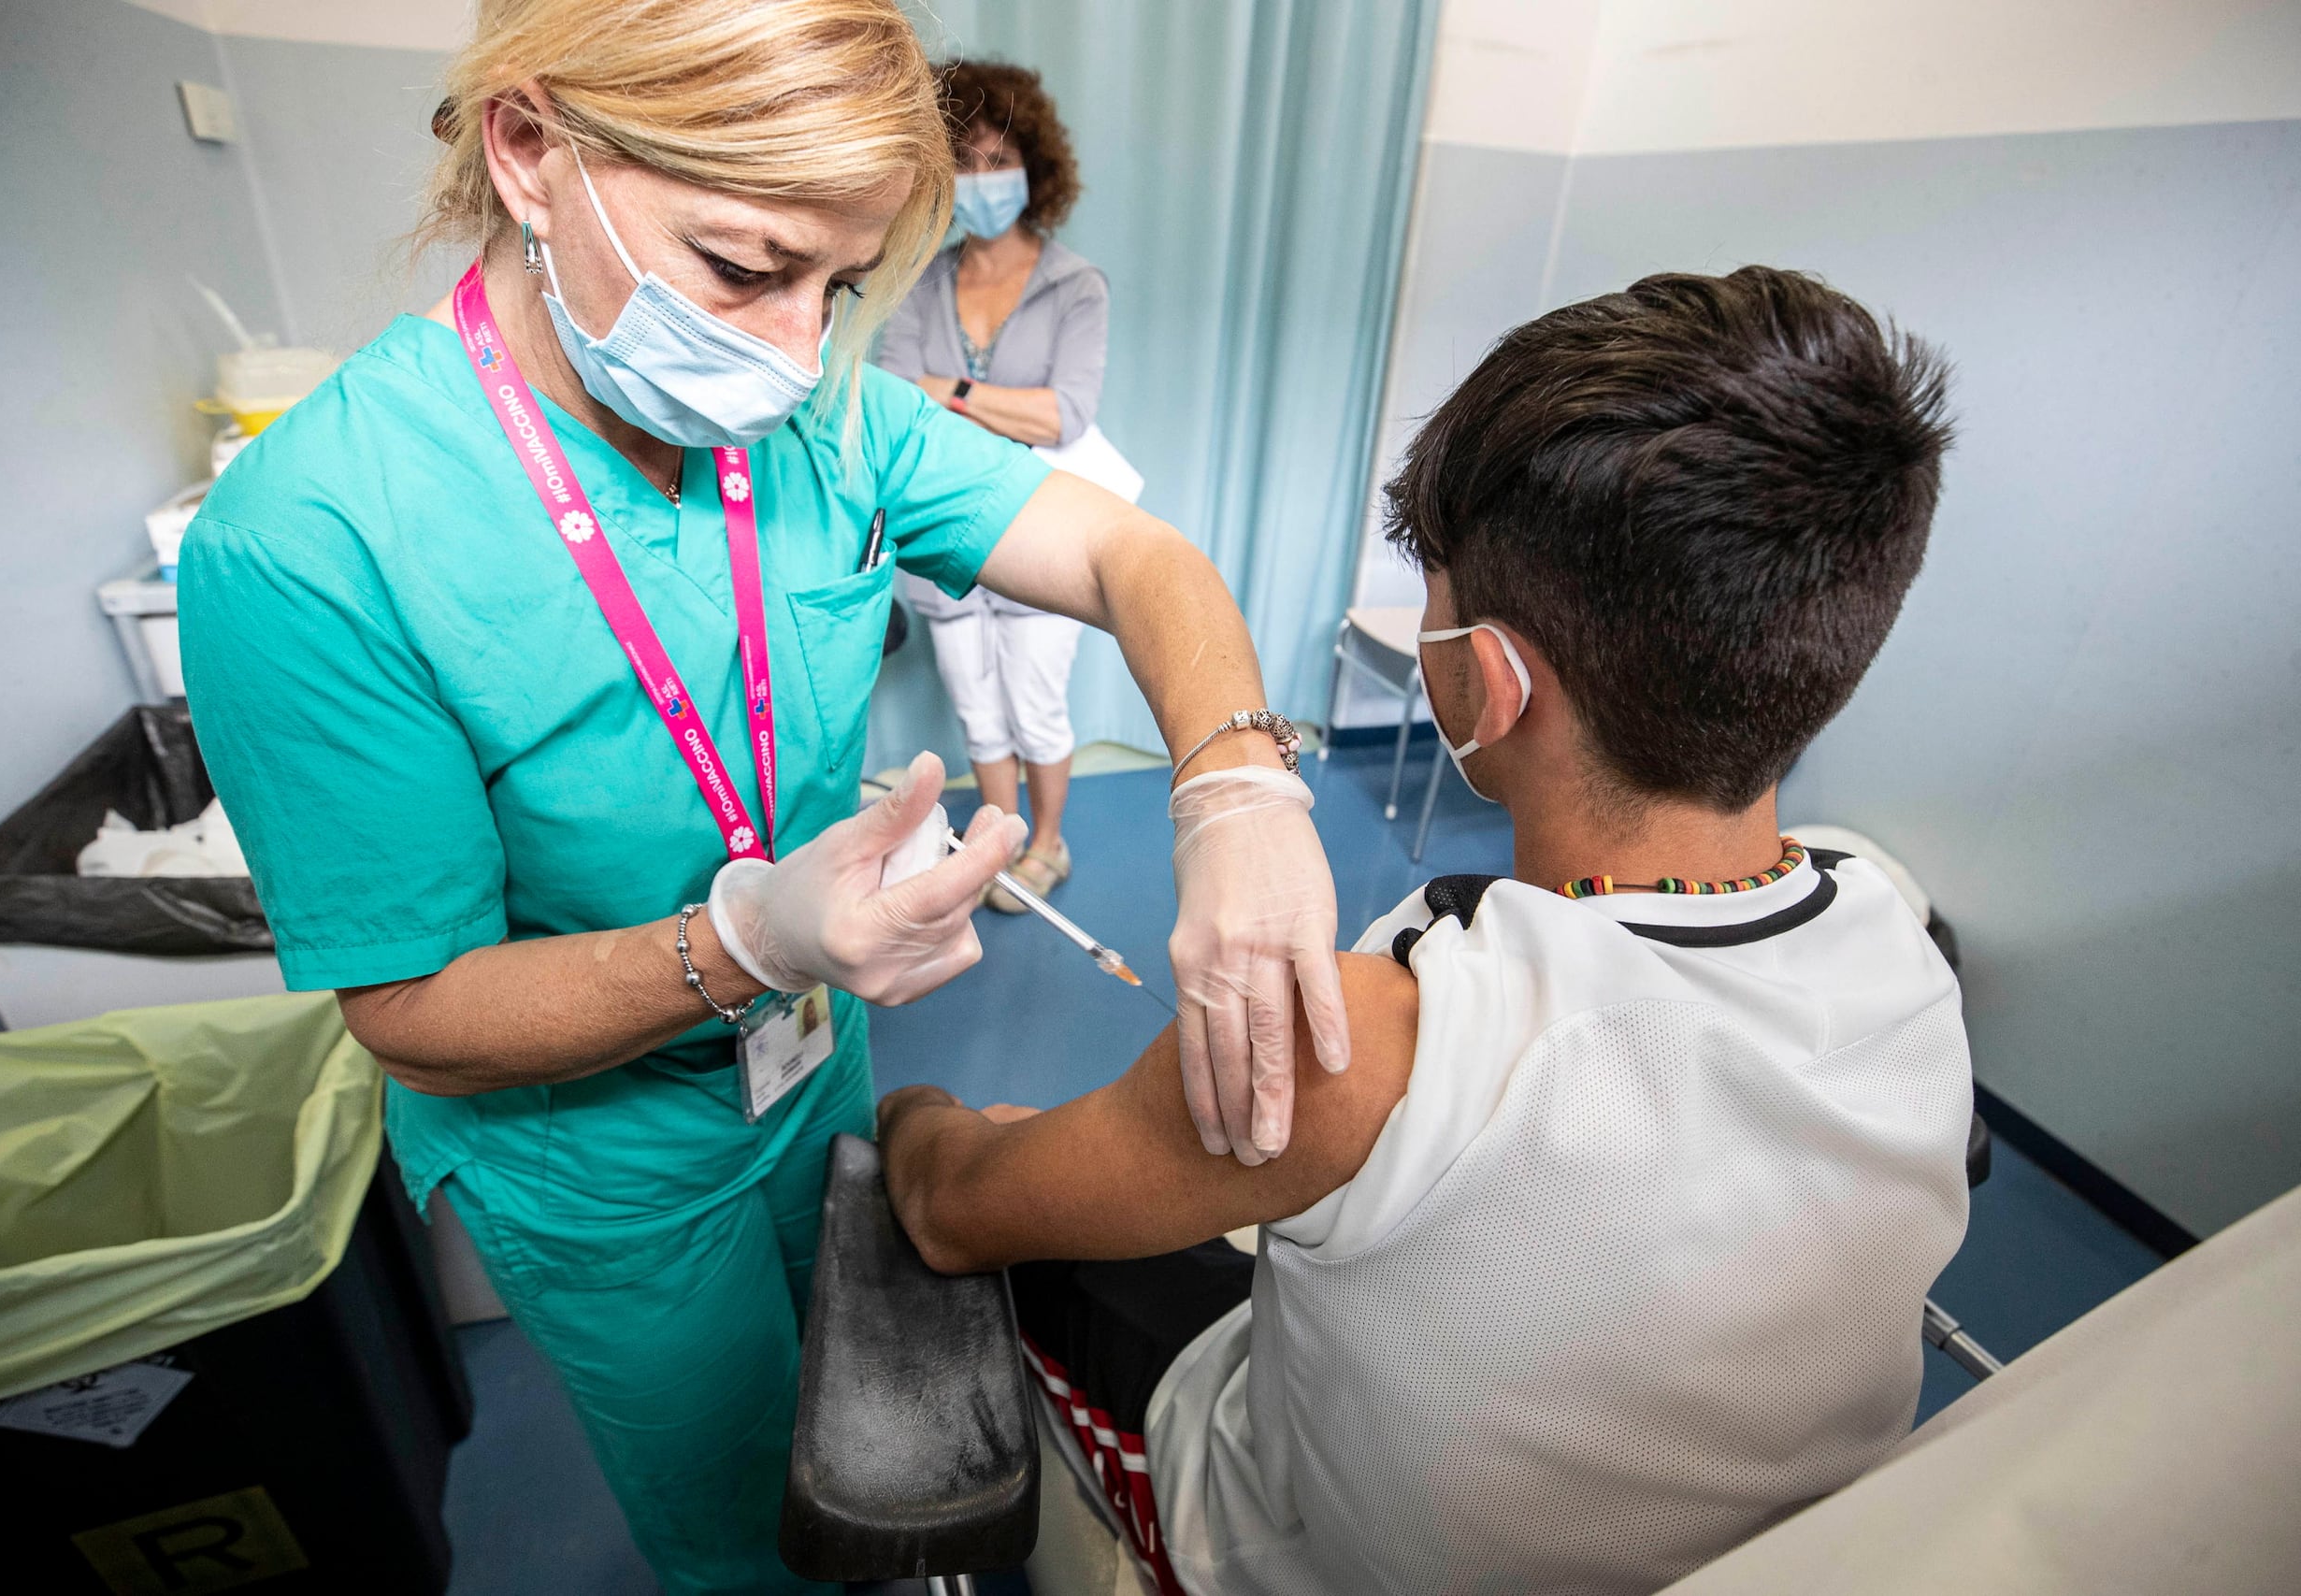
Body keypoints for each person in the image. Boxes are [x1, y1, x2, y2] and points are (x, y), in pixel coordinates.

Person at [174, 4, 1345, 1590]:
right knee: (751, 1526)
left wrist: (1236, 789)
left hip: (814, 1065)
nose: (801, 349)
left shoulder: (827, 411)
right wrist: (744, 938)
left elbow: (1135, 554)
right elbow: (410, 1006)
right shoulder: (312, 541)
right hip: (603, 1161)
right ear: (530, 149)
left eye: (844, 287)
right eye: (743, 269)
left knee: (865, 1399)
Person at [879, 267, 1973, 1595]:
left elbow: (950, 1211)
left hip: (1268, 1538)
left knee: (995, 1223)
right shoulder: (1902, 943)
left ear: (1491, 677)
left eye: (1435, 599)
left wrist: (933, 1120)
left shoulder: (1375, 1040)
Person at [877, 60, 1107, 912]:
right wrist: (974, 403)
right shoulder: (921, 280)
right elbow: (896, 397)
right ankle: (1002, 841)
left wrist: (955, 391)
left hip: (1039, 529)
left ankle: (1049, 842)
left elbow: (1066, 415)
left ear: (1033, 167)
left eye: (997, 157)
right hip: (941, 531)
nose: (980, 179)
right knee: (977, 707)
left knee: (1036, 705)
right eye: (961, 161)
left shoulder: (1073, 285)